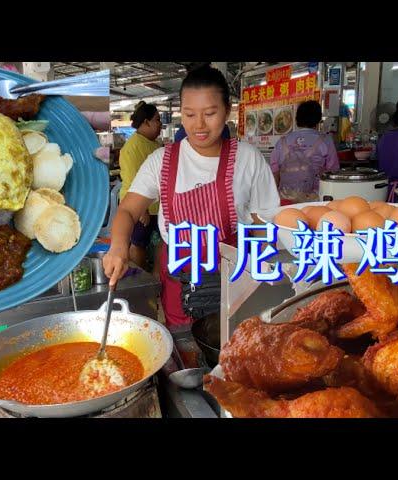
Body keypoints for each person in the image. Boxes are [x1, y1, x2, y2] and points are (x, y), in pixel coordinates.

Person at [103, 65, 280, 332]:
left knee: (237, 348)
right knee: (185, 351)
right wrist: (118, 247)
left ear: (227, 111)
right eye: (189, 114)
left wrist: (260, 277)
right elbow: (128, 210)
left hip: (233, 280)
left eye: (210, 113)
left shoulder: (248, 158)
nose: (199, 125)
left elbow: (264, 224)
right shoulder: (161, 161)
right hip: (179, 283)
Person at [118, 101, 163, 269]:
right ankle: (139, 278)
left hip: (157, 206)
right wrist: (141, 210)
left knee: (162, 242)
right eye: (157, 120)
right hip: (139, 207)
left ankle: (157, 276)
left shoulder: (155, 144)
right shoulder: (132, 147)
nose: (160, 124)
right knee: (138, 244)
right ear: (146, 122)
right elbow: (131, 180)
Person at [270, 100, 339, 203]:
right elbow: (333, 173)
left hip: (285, 200)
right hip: (314, 200)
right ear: (318, 119)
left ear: (297, 119)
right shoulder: (326, 140)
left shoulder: (282, 142)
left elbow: (274, 174)